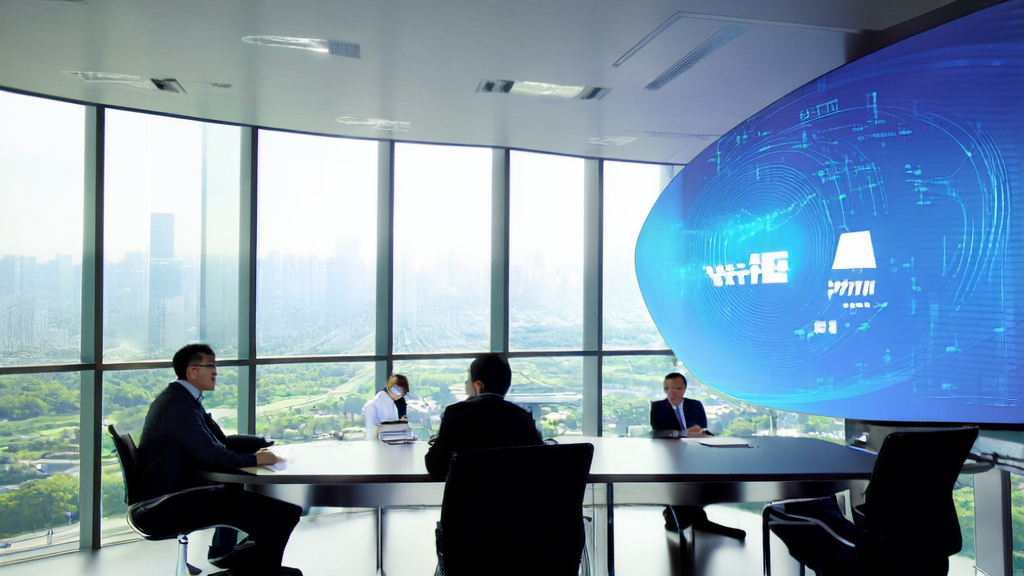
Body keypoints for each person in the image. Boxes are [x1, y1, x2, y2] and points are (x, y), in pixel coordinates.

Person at [135, 343, 304, 576]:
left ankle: (249, 566)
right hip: (171, 502)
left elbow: (219, 442)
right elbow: (211, 454)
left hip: (181, 494)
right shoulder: (177, 406)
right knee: (281, 514)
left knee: (279, 512)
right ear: (192, 371)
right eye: (211, 366)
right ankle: (251, 569)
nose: (216, 371)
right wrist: (258, 460)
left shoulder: (185, 400)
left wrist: (261, 442)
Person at [650, 372, 745, 540]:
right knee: (678, 480)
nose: (672, 392)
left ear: (684, 389)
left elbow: (702, 428)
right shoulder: (658, 407)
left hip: (696, 452)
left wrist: (701, 433)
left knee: (706, 476)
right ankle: (686, 517)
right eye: (668, 388)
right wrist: (684, 433)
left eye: (677, 388)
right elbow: (658, 432)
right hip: (670, 455)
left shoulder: (695, 405)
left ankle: (687, 516)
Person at [425, 353, 543, 480]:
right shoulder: (522, 416)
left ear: (478, 386)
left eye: (469, 380)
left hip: (466, 498)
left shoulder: (456, 413)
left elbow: (436, 467)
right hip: (511, 498)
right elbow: (538, 462)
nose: (466, 383)